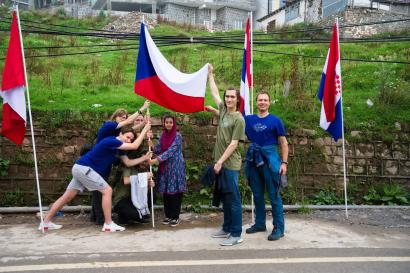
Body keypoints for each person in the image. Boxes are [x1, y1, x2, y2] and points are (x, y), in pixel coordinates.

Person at [39, 124, 151, 232]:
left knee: (67, 197)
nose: (128, 140)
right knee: (107, 191)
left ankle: (45, 222)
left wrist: (144, 158)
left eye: (131, 139)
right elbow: (134, 146)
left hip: (80, 168)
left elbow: (128, 162)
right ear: (120, 133)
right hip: (85, 168)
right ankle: (108, 224)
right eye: (127, 137)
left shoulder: (118, 147)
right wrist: (145, 129)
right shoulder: (111, 140)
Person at [91, 101, 150, 224]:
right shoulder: (108, 126)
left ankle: (95, 216)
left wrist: (144, 124)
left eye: (125, 117)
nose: (124, 119)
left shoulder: (119, 136)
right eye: (121, 117)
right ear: (115, 117)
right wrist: (143, 108)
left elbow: (130, 131)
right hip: (96, 165)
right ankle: (101, 220)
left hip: (105, 166)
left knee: (99, 191)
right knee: (99, 191)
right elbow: (129, 125)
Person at [206, 64, 246, 246]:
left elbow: (233, 144)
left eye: (232, 97)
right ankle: (227, 227)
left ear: (237, 100)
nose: (229, 99)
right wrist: (210, 75)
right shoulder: (223, 111)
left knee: (234, 200)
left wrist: (220, 162)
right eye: (227, 96)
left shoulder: (239, 119)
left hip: (229, 165)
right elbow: (214, 93)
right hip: (220, 163)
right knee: (225, 198)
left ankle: (236, 234)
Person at [244, 91, 289, 241]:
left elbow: (283, 143)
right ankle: (259, 223)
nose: (262, 102)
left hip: (271, 160)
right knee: (257, 194)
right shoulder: (248, 120)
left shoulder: (276, 121)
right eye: (260, 100)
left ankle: (279, 228)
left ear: (269, 103)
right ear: (256, 103)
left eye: (265, 100)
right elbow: (230, 117)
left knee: (274, 195)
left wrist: (284, 163)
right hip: (254, 160)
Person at [113, 114, 154, 224]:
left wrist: (149, 183)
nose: (145, 163)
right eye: (144, 161)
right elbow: (126, 180)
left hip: (132, 197)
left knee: (150, 191)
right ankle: (123, 215)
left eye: (146, 162)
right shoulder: (129, 164)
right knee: (135, 215)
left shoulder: (142, 169)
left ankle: (134, 214)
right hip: (123, 198)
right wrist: (144, 177)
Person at [149, 114, 186, 227]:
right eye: (167, 122)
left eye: (171, 122)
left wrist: (157, 160)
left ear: (174, 123)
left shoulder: (177, 136)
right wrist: (150, 141)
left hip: (176, 168)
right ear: (164, 123)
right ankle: (168, 215)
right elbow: (158, 149)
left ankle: (175, 217)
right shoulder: (163, 136)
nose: (169, 124)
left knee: (174, 192)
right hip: (165, 168)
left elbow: (171, 151)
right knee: (166, 192)